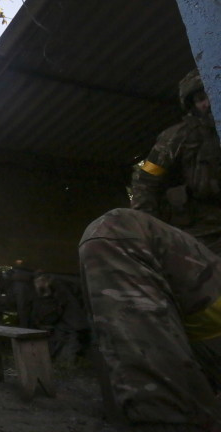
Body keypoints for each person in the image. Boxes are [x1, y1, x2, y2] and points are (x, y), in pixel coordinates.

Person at [79, 69, 221, 430]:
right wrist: (145, 234)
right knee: (115, 231)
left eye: (209, 95)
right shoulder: (178, 138)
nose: (206, 103)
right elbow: (145, 182)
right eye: (199, 98)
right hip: (202, 252)